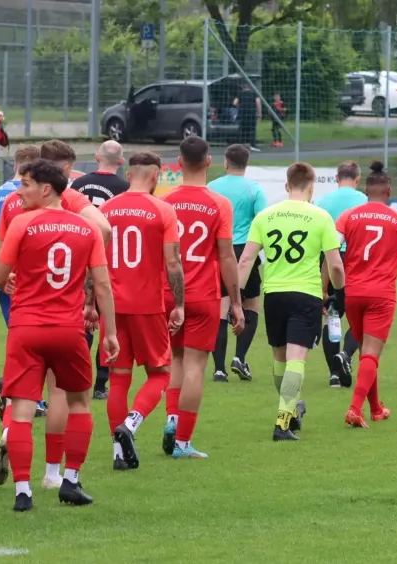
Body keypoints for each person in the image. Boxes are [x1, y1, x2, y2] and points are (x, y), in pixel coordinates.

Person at [0, 158, 119, 511]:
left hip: (26, 328)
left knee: (21, 411)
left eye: (26, 185)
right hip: (68, 328)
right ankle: (70, 481)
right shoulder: (86, 228)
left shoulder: (22, 223)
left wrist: (8, 280)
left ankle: (22, 491)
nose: (20, 192)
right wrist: (110, 332)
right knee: (78, 403)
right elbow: (104, 285)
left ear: (46, 189)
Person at [237, 162, 344, 441]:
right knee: (297, 359)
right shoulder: (321, 217)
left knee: (280, 359)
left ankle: (292, 410)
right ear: (312, 187)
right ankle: (282, 423)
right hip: (305, 294)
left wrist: (237, 296)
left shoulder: (265, 216)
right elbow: (335, 265)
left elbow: (246, 259)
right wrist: (339, 289)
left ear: (286, 186)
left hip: (273, 294)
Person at [99, 151, 184, 470]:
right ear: (155, 175)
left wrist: (90, 304)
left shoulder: (106, 209)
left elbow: (96, 262)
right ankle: (131, 425)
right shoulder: (163, 209)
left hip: (113, 306)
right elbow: (173, 262)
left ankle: (119, 455)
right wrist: (178, 304)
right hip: (148, 305)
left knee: (118, 378)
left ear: (129, 172)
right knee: (160, 374)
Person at [161, 136, 244, 459]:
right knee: (196, 365)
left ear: (179, 163)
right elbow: (226, 257)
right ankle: (182, 441)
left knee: (176, 360)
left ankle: (171, 419)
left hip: (170, 294)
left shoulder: (165, 202)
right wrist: (236, 303)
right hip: (204, 295)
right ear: (209, 162)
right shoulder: (218, 204)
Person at [336, 162, 397, 428]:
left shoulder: (349, 216)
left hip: (353, 292)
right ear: (389, 191)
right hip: (381, 294)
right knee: (371, 355)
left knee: (365, 353)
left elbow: (333, 249)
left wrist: (330, 282)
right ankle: (354, 409)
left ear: (365, 190)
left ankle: (375, 408)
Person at [71, 140, 131, 400]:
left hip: (77, 257)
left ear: (96, 157)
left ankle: (77, 377)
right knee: (105, 321)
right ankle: (100, 385)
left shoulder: (77, 185)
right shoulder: (125, 189)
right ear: (121, 161)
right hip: (110, 260)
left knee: (82, 320)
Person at [0, 146, 46, 419]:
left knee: (17, 334)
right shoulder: (36, 194)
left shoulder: (1, 192)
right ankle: (25, 394)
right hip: (31, 274)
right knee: (33, 339)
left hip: (6, 268)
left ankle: (16, 390)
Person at [207, 144, 268, 383]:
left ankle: (219, 369)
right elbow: (263, 222)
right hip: (245, 252)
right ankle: (239, 358)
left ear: (225, 162)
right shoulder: (254, 190)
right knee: (251, 305)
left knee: (221, 308)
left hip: (219, 250)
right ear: (247, 163)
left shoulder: (212, 188)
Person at [314, 161, 367, 388]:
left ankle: (334, 374)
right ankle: (345, 354)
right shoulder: (365, 201)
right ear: (357, 178)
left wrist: (322, 283)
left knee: (332, 315)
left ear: (337, 178)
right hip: (356, 262)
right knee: (359, 318)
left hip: (329, 259)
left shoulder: (323, 201)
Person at [234, 84, 261, 152]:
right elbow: (258, 102)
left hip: (243, 114)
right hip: (251, 114)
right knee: (252, 129)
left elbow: (234, 102)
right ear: (250, 88)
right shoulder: (253, 93)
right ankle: (252, 144)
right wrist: (259, 112)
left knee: (242, 129)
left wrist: (239, 107)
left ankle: (242, 144)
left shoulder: (240, 94)